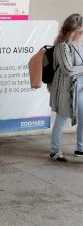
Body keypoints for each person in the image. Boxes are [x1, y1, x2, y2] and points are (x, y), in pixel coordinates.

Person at [50, 13, 83, 161]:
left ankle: (80, 149)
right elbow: (68, 70)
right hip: (65, 90)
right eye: (80, 31)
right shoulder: (62, 46)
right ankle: (55, 151)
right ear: (72, 29)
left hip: (80, 88)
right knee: (61, 119)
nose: (81, 34)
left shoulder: (79, 45)